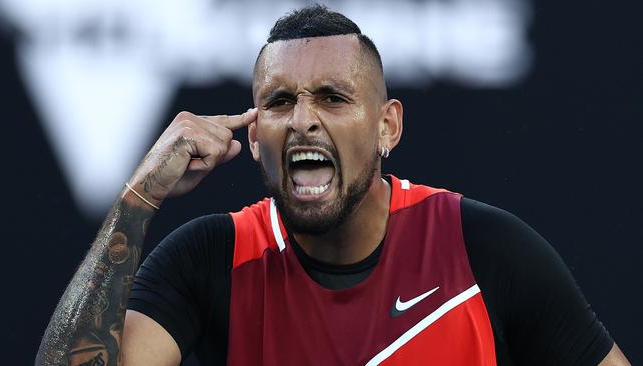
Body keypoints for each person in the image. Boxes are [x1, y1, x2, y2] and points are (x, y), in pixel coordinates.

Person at [36, 5, 630, 366]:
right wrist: (136, 199)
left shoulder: (482, 248)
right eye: (279, 101)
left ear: (386, 126)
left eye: (332, 97)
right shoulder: (211, 260)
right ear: (257, 129)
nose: (301, 119)